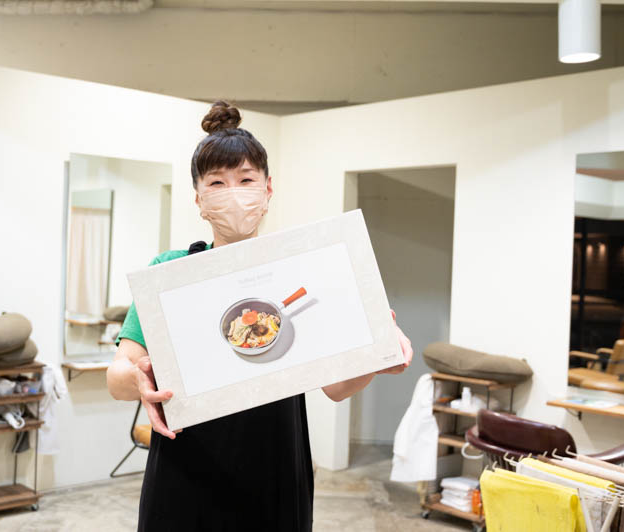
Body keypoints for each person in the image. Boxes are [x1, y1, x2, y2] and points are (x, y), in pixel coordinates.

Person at [106, 100, 414, 532]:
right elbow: (118, 373)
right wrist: (137, 381)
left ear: (268, 190)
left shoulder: (297, 273)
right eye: (217, 182)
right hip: (185, 469)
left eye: (246, 180)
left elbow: (336, 387)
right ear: (199, 199)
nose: (233, 193)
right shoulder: (169, 274)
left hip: (275, 469)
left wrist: (376, 356)